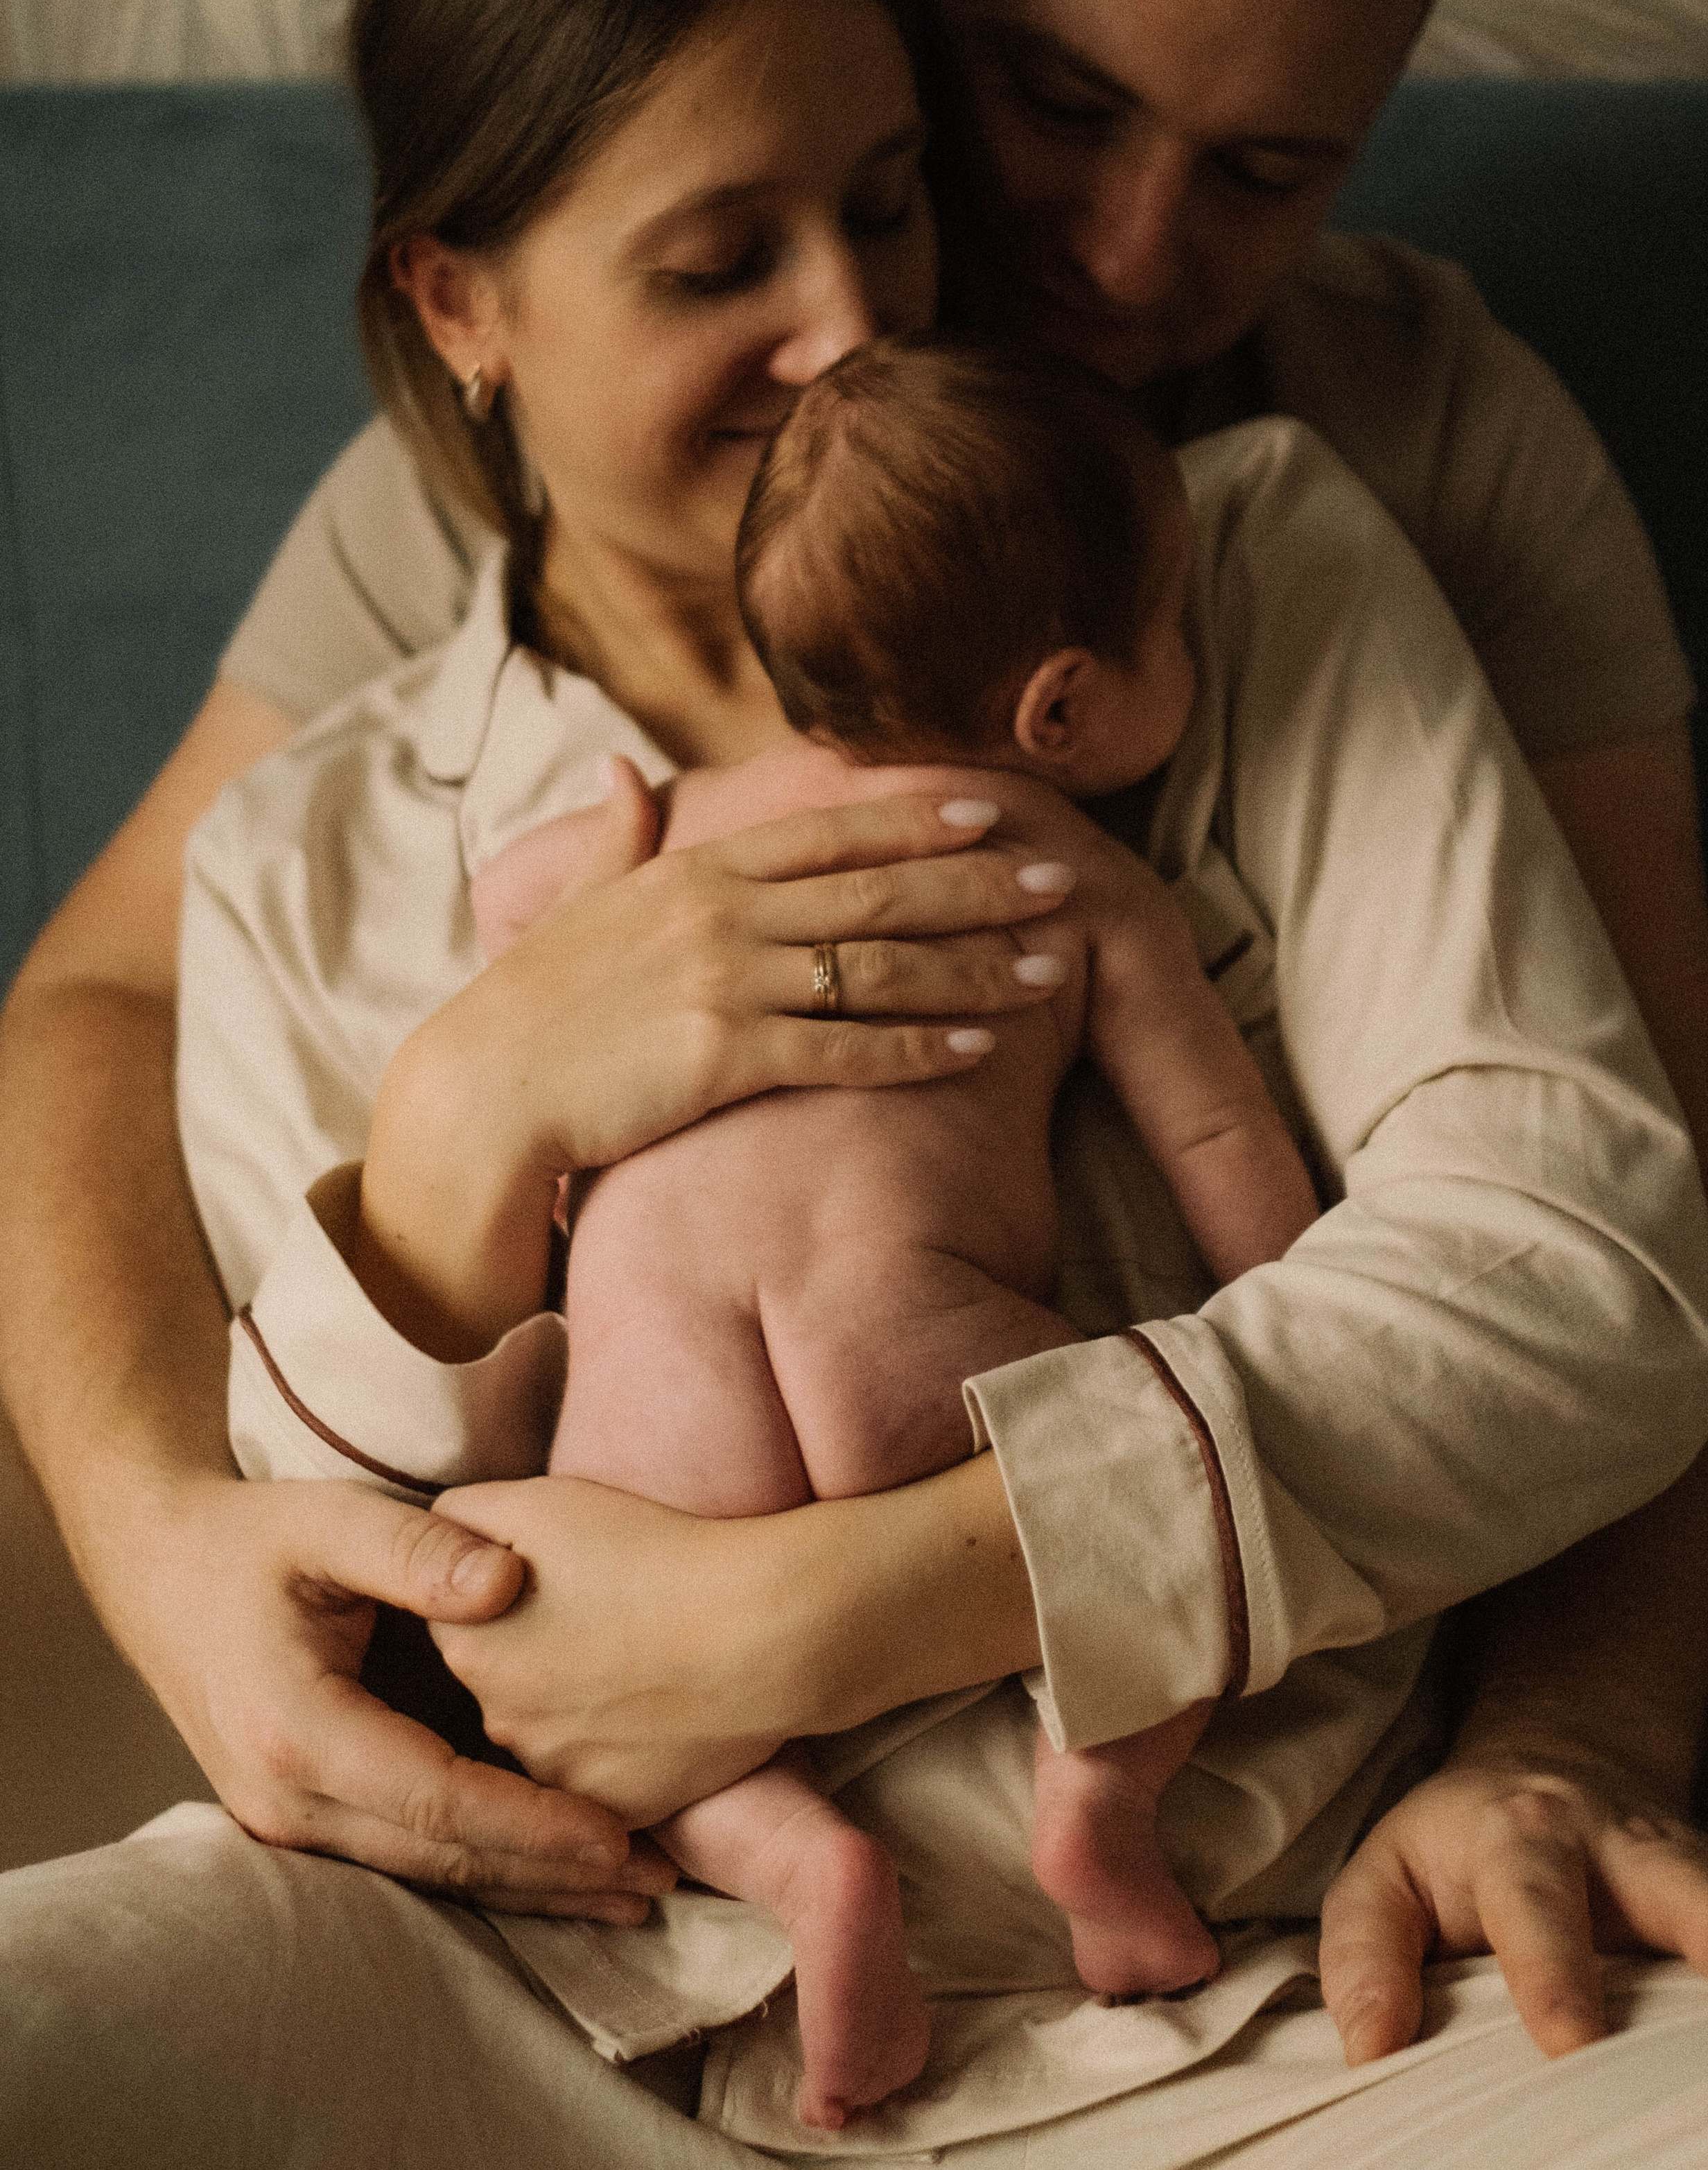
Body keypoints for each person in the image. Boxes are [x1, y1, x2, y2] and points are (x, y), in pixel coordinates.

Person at [0, 0, 1708, 2158]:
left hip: (1262, 1968)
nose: (1115, 263)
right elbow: (104, 1028)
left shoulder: (1297, 523)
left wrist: (1561, 1729)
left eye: (1263, 167)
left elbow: (1622, 1218)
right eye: (1052, 107)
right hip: (562, 1983)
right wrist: (200, 1490)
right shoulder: (364, 759)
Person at [234, 336, 1320, 2128]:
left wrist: (603, 852)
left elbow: (518, 914)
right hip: (917, 1341)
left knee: (561, 1670)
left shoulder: (688, 823)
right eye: (1176, 633)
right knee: (1172, 1504)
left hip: (662, 1392)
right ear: (1061, 710)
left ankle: (810, 1874)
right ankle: (1101, 1797)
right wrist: (1282, 1302)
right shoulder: (1069, 870)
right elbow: (1217, 1138)